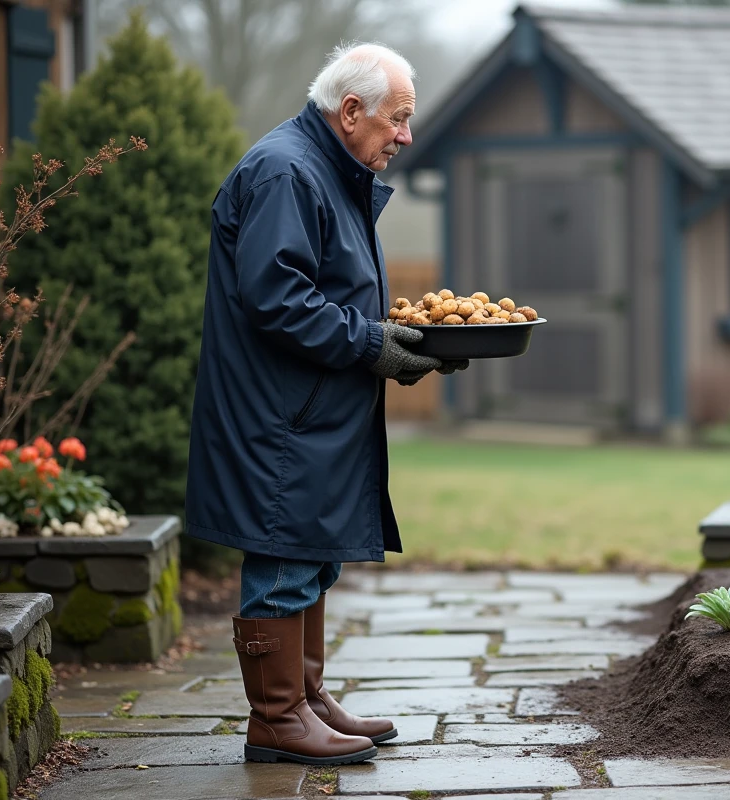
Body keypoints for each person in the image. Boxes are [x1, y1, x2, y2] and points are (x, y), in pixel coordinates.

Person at [185, 42, 464, 767]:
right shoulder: (285, 170)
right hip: (279, 417)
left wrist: (397, 340)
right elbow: (278, 299)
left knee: (311, 557)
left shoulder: (323, 167)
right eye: (398, 119)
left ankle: (304, 699)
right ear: (351, 111)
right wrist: (371, 343)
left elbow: (328, 290)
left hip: (308, 409)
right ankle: (276, 718)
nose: (406, 136)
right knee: (283, 559)